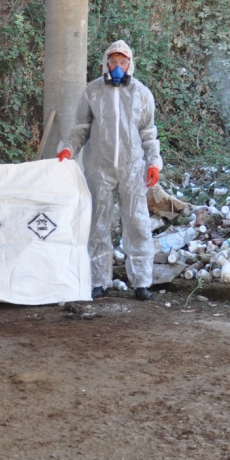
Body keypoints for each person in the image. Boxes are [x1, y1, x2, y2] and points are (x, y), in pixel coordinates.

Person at [57, 40, 161, 301]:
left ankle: (141, 281)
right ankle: (98, 281)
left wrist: (153, 163)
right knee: (97, 223)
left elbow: (148, 132)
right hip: (98, 166)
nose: (117, 67)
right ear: (105, 63)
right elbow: (81, 127)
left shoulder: (141, 93)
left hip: (132, 167)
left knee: (137, 222)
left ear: (130, 64)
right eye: (113, 61)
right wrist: (69, 149)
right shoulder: (93, 91)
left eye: (123, 62)